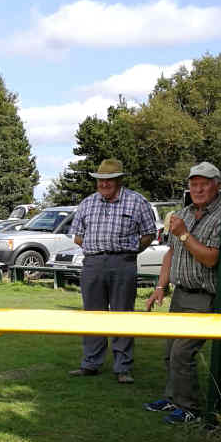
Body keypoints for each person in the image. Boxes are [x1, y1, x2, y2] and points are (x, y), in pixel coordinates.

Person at [144, 162, 221, 425]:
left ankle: (190, 408)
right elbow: (170, 253)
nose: (198, 189)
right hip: (180, 294)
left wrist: (183, 234)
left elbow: (211, 259)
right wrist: (160, 287)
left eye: (204, 183)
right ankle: (173, 398)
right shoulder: (184, 213)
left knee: (182, 352)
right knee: (169, 352)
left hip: (205, 296)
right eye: (193, 184)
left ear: (217, 185)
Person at [68, 158, 158, 384]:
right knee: (93, 315)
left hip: (123, 263)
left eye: (108, 180)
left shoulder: (137, 202)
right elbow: (77, 235)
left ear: (118, 180)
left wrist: (128, 252)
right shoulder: (87, 203)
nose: (104, 184)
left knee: (123, 315)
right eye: (100, 180)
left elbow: (148, 235)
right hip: (93, 264)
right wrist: (97, 250)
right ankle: (90, 364)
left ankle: (123, 367)